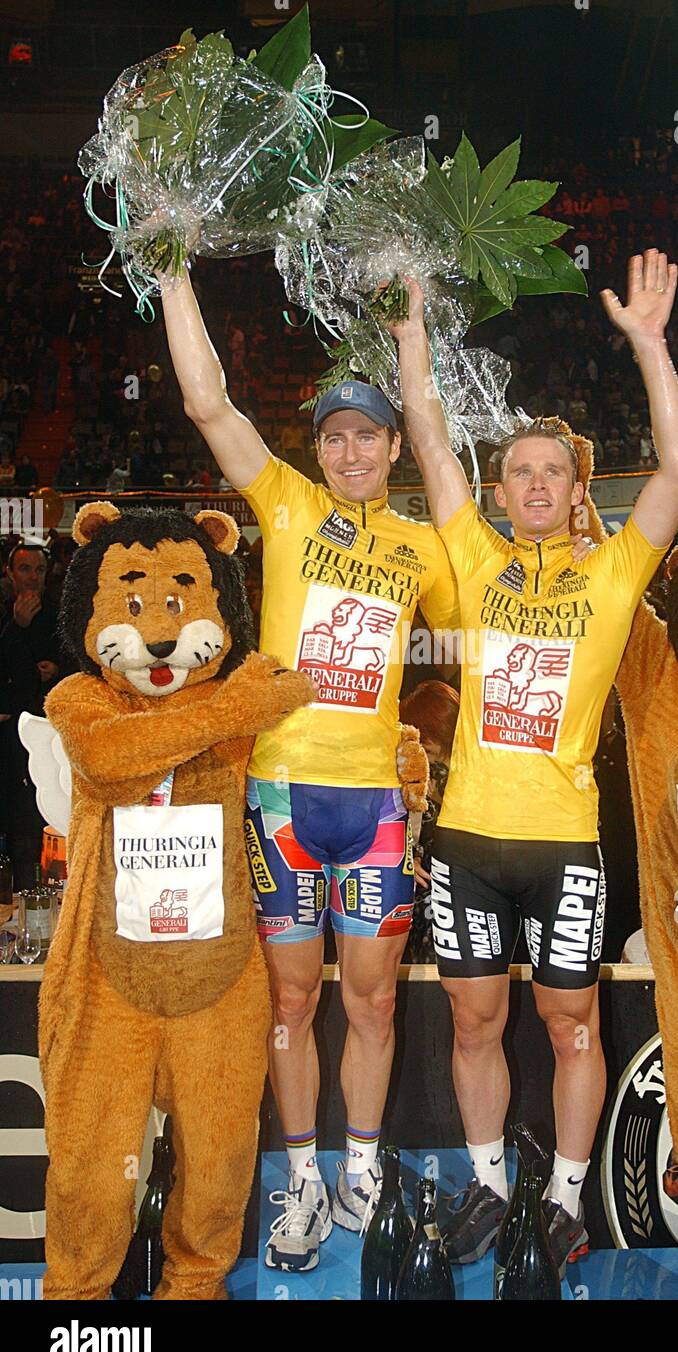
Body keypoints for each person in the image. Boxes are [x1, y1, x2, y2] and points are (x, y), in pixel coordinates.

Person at [387, 248, 678, 1268]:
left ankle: (563, 1199)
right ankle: (486, 1189)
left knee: (571, 1026)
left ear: (575, 491)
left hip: (565, 842)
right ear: (504, 488)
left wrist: (649, 346)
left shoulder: (612, 574)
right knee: (474, 1024)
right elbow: (429, 438)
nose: (529, 483)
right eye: (515, 469)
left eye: (548, 471)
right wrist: (410, 333)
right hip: (470, 839)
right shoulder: (473, 560)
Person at [159, 269, 460, 1273]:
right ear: (316, 446)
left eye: (367, 435)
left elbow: (496, 593)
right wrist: (170, 270)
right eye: (333, 433)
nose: (350, 449)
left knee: (370, 1002)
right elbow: (208, 401)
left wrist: (414, 341)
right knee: (290, 1004)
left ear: (388, 449)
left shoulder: (423, 546)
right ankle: (297, 1178)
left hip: (374, 804)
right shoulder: (282, 504)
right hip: (281, 798)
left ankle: (361, 1170)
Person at [0, 542, 70, 886]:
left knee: (46, 811)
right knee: (16, 822)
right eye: (24, 569)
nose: (32, 577)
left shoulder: (61, 613)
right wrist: (15, 627)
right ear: (9, 573)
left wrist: (54, 668)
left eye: (38, 570)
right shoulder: (3, 615)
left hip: (49, 732)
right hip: (11, 738)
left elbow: (73, 667)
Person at [398, 680, 460, 964]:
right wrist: (408, 854)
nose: (425, 742)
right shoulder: (409, 773)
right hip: (423, 888)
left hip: (471, 885)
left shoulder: (479, 772)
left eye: (431, 732)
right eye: (418, 733)